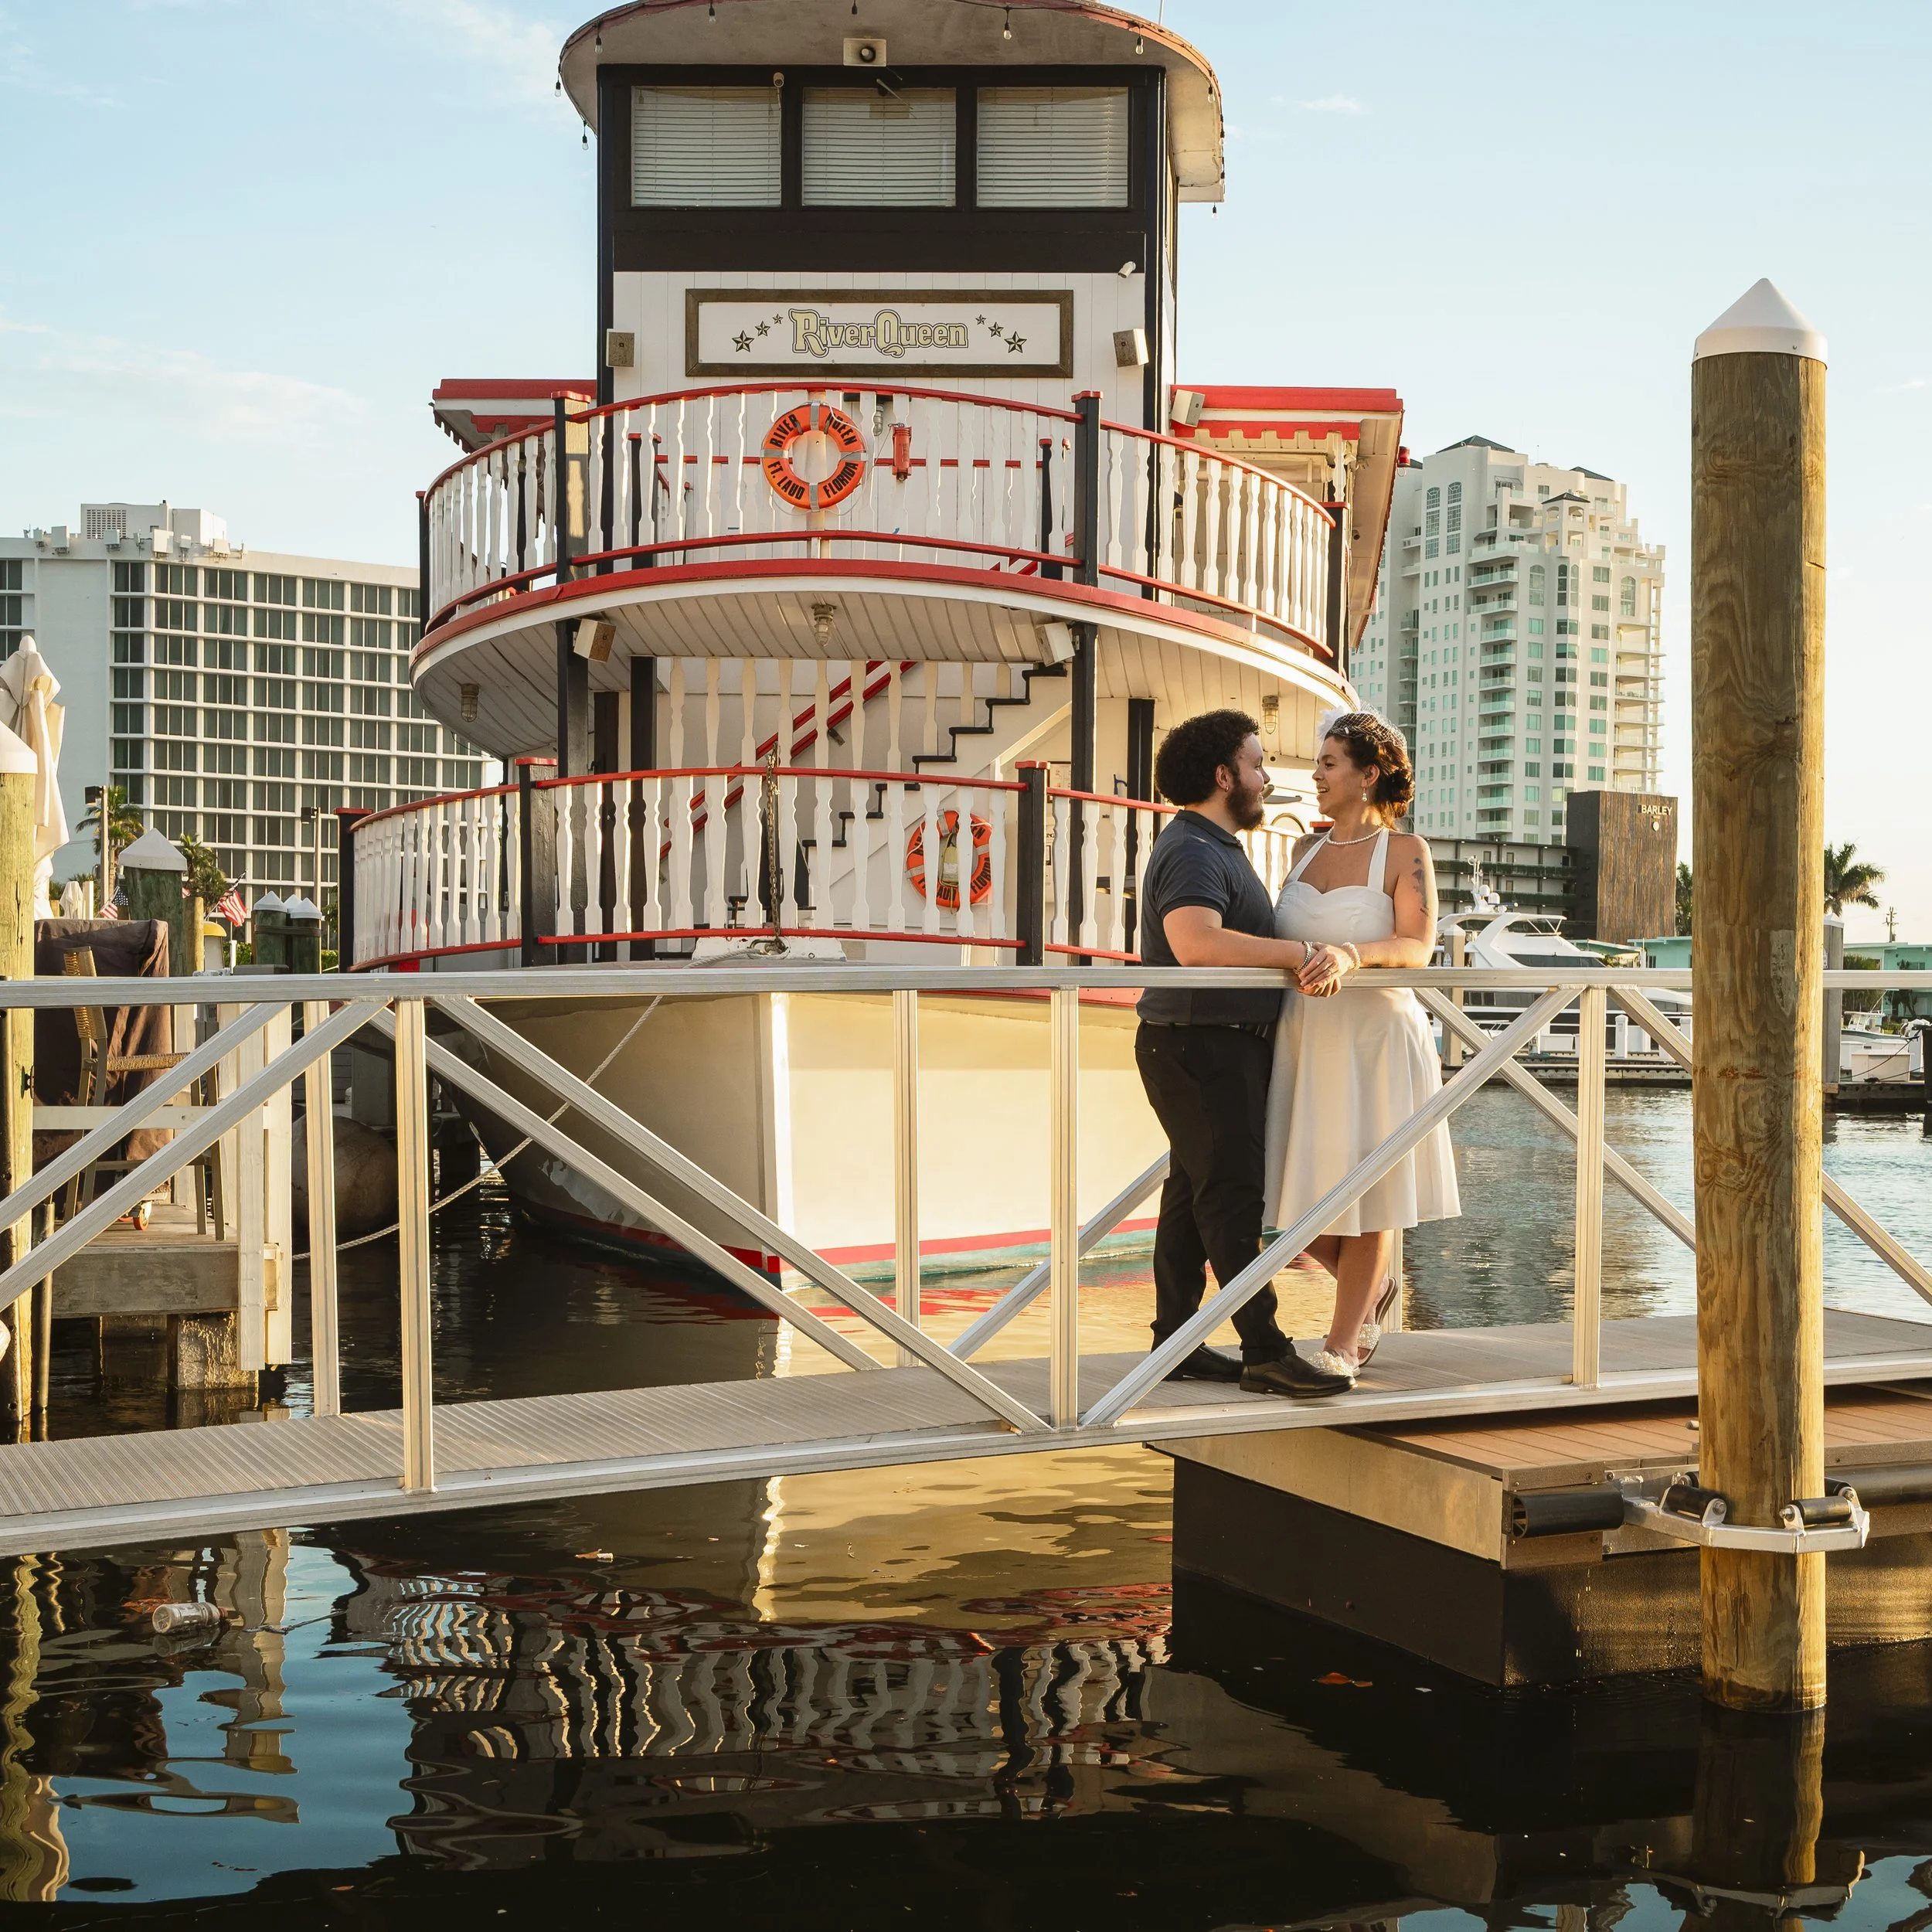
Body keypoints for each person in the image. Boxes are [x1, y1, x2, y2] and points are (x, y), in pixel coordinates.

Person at [1134, 709, 1354, 1400]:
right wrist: (1300, 954)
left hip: (1202, 1042)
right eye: (1257, 764)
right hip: (1202, 1044)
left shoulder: (1211, 844)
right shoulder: (1195, 850)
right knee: (1230, 1199)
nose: (1266, 778)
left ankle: (1175, 1344)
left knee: (1189, 1198)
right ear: (1224, 775)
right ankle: (1264, 1348)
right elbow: (1195, 943)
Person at [1263, 709, 1460, 1383]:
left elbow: (1417, 945)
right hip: (1303, 1035)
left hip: (1376, 1035)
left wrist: (1350, 954)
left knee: (1369, 1189)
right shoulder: (1302, 852)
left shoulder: (1407, 852)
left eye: (1328, 764)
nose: (1316, 775)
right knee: (1291, 1191)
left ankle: (1344, 1343)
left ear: (1368, 774)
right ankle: (1370, 1287)